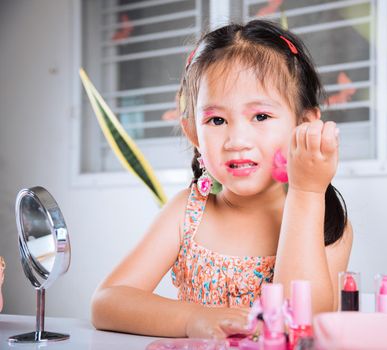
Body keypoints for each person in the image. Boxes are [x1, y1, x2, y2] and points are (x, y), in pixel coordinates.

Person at [91, 20, 353, 339]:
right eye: (217, 120)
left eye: (260, 116)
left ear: (304, 125)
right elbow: (107, 302)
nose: (236, 140)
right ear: (193, 133)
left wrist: (307, 191)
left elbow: (299, 323)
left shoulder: (325, 220)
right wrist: (193, 318)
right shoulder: (188, 213)